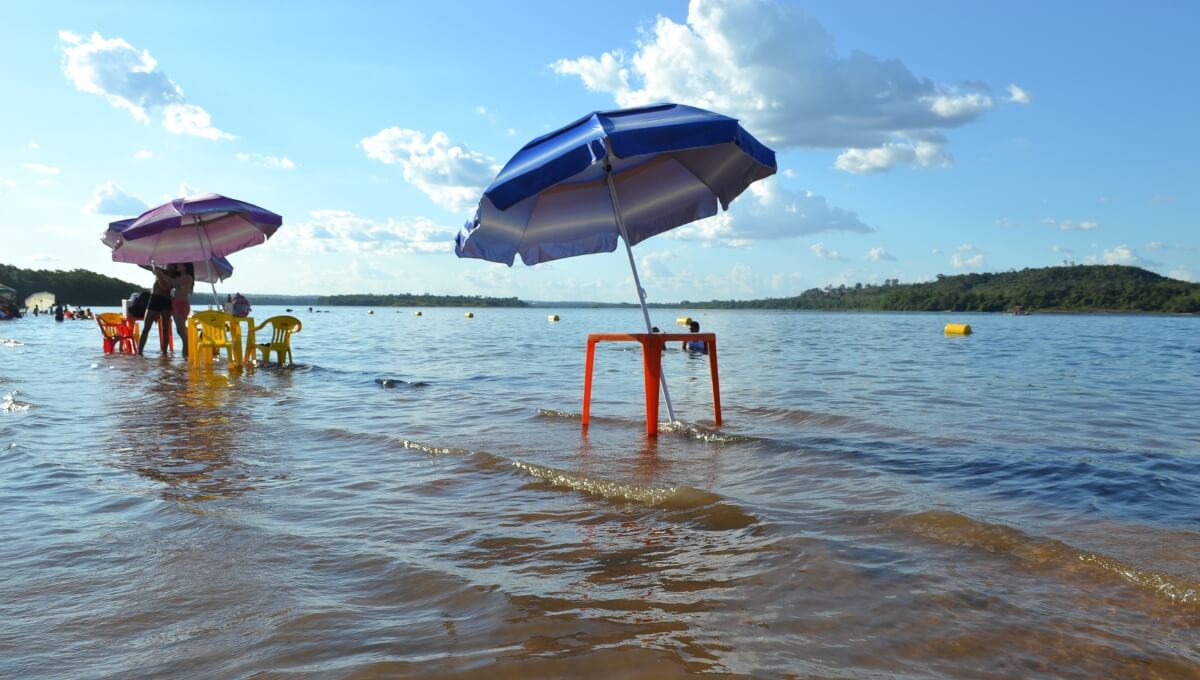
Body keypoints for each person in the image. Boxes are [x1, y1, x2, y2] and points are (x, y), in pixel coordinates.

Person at [138, 265, 178, 355]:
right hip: (154, 299)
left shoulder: (174, 277)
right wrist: (137, 260)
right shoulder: (161, 271)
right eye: (169, 265)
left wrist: (159, 275)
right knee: (146, 328)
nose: (169, 266)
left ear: (175, 268)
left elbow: (165, 288)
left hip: (166, 301)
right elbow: (146, 266)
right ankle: (139, 353)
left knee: (165, 328)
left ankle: (164, 353)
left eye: (172, 265)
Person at [170, 263, 195, 358]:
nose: (177, 265)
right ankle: (186, 355)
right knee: (180, 331)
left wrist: (161, 275)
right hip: (175, 304)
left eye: (180, 264)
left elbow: (174, 284)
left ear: (185, 267)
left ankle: (187, 355)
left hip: (182, 305)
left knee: (181, 331)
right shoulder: (179, 277)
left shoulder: (188, 277)